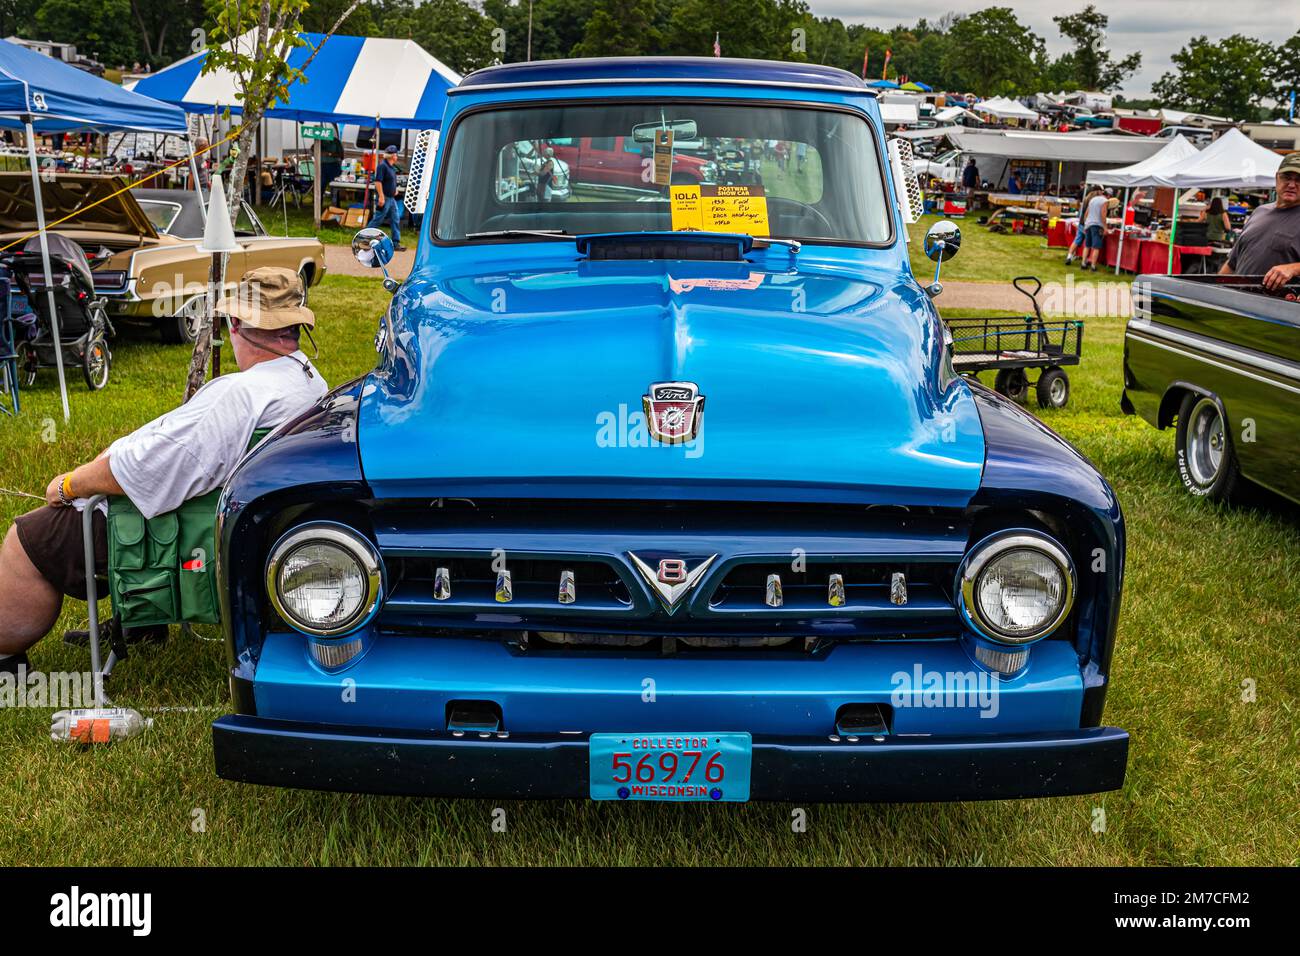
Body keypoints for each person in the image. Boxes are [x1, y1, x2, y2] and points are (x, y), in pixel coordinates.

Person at [0, 268, 328, 675]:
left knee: (29, 539)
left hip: (175, 529)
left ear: (237, 323)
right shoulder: (308, 379)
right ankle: (141, 623)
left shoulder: (243, 393)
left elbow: (146, 474)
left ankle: (5, 658)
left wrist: (69, 485)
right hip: (230, 523)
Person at [1220, 153, 1300, 291]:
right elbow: (1233, 262)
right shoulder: (1259, 211)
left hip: (1275, 308)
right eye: (1286, 177)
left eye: (1299, 179)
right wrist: (1218, 290)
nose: (1292, 185)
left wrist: (1294, 268)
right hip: (1237, 304)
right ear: (1277, 178)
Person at [367, 144, 405, 252]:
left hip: (391, 198)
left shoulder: (391, 167)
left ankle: (396, 242)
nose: (396, 156)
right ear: (393, 156)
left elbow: (390, 181)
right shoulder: (382, 166)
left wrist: (395, 190)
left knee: (395, 218)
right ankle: (365, 238)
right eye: (396, 154)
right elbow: (378, 182)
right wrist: (381, 197)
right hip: (385, 198)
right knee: (378, 219)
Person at [1065, 186, 1101, 265]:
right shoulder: (1093, 200)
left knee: (1077, 241)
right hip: (1088, 223)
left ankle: (1069, 256)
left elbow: (1081, 212)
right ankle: (1086, 261)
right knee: (1089, 244)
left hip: (1081, 222)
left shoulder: (1086, 199)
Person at [1079, 187, 1111, 271]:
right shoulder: (1105, 201)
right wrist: (1105, 227)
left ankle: (1083, 263)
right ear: (1109, 195)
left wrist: (1086, 224)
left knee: (1087, 245)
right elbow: (1103, 214)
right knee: (1096, 247)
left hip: (1089, 224)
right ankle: (1093, 266)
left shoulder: (1093, 199)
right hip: (1097, 225)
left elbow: (1086, 214)